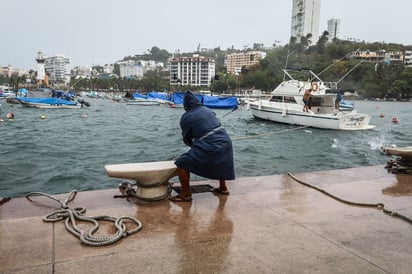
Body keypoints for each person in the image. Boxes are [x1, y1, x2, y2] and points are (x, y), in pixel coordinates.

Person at [170, 91, 235, 202]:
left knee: (181, 163)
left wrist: (194, 147)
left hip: (211, 145)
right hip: (226, 142)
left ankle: (185, 194)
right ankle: (223, 188)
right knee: (221, 162)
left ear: (186, 105)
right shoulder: (208, 110)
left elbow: (187, 139)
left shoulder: (186, 117)